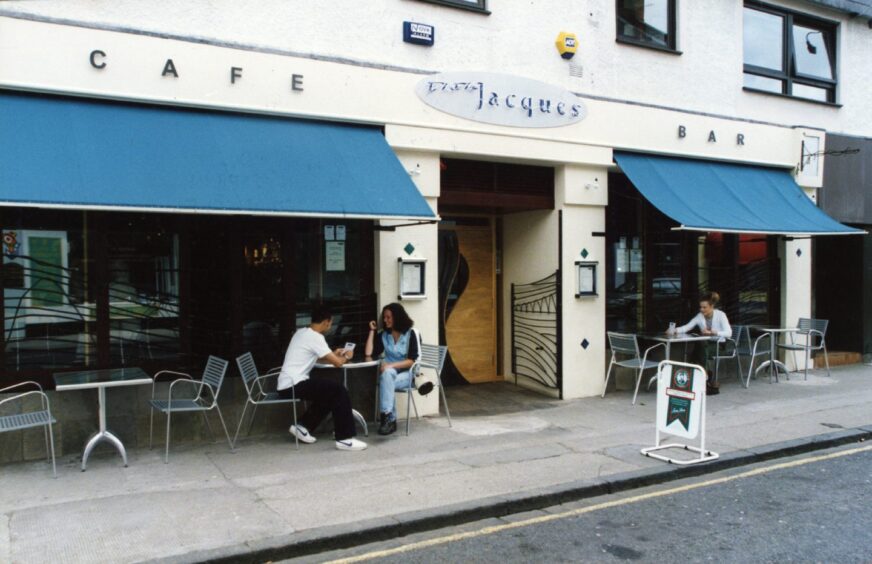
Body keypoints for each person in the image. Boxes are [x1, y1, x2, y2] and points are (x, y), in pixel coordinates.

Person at [276, 305, 367, 451]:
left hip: (286, 384)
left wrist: (332, 354)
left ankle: (303, 426)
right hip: (294, 384)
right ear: (326, 322)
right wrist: (347, 356)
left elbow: (316, 358)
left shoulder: (302, 332)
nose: (330, 326)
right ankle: (345, 439)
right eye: (331, 323)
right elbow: (338, 363)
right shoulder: (316, 337)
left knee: (329, 394)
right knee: (339, 390)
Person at [365, 303, 431, 436]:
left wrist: (390, 365)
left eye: (389, 317)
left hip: (410, 374)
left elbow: (412, 360)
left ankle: (389, 420)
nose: (385, 320)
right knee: (387, 376)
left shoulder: (412, 333)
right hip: (391, 375)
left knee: (386, 379)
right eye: (384, 317)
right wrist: (372, 331)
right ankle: (388, 419)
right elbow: (368, 353)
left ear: (398, 317)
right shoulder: (385, 335)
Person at [670, 291, 732, 395]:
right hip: (705, 345)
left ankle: (701, 375)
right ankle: (706, 375)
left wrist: (713, 332)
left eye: (704, 307)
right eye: (701, 307)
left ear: (711, 306)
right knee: (700, 343)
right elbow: (687, 327)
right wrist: (674, 330)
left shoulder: (721, 315)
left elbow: (729, 333)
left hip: (719, 345)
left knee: (699, 347)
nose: (702, 310)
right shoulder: (700, 316)